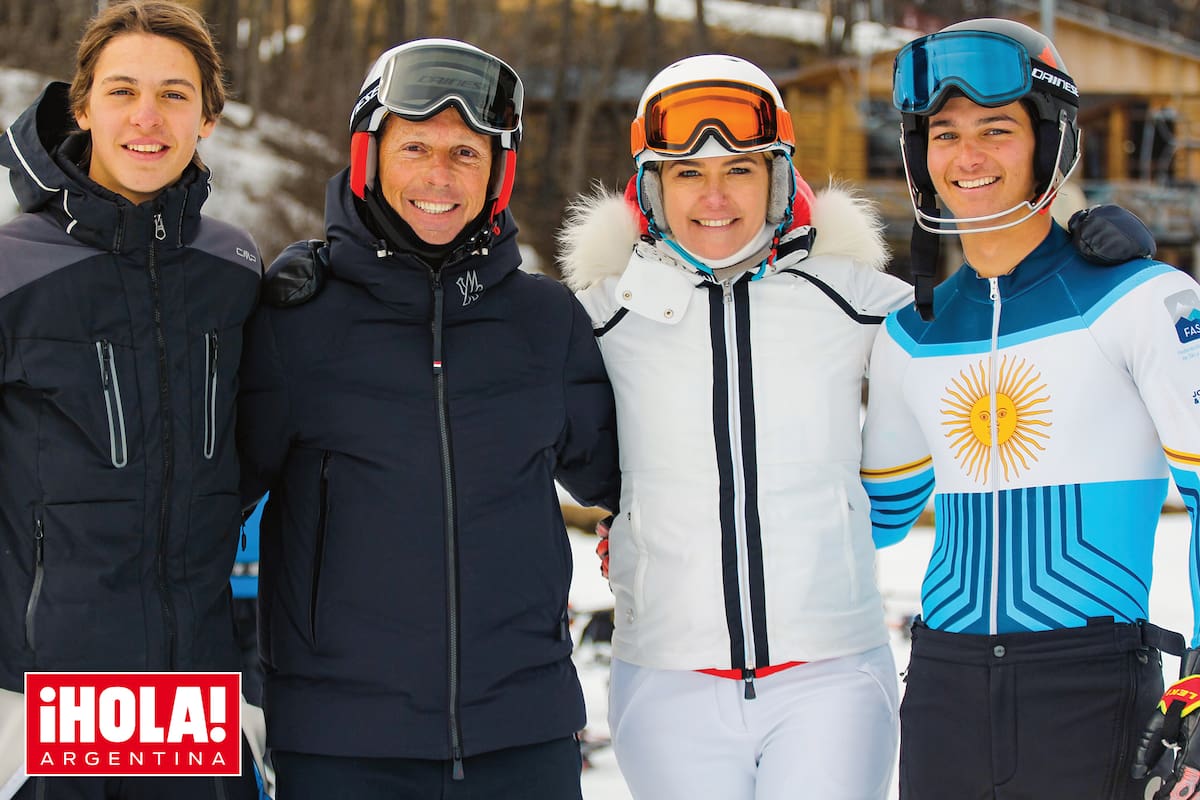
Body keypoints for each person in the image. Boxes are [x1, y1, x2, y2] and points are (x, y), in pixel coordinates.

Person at [236, 38, 619, 799]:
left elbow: (637, 474)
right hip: (342, 742)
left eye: (465, 153)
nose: (440, 177)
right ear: (369, 156)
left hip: (523, 735)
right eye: (415, 147)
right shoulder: (294, 319)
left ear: (498, 171)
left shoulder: (545, 322)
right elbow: (209, 503)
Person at [860, 17, 1200, 799]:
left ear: (1050, 142)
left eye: (997, 129)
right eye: (943, 133)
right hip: (943, 694)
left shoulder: (1142, 300)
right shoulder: (909, 335)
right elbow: (868, 521)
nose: (967, 156)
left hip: (1092, 690)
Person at [557, 54, 911, 799]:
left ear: (778, 177)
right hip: (665, 683)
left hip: (832, 679)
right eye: (688, 173)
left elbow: (991, 335)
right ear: (652, 186)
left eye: (740, 169)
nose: (714, 196)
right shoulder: (600, 314)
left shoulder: (848, 295)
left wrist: (1079, 249)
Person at [0, 2, 263, 798]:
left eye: (176, 94)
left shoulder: (236, 266)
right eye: (122, 91)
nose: (147, 117)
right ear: (82, 107)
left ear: (210, 117)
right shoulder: (12, 268)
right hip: (46, 685)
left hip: (194, 689)